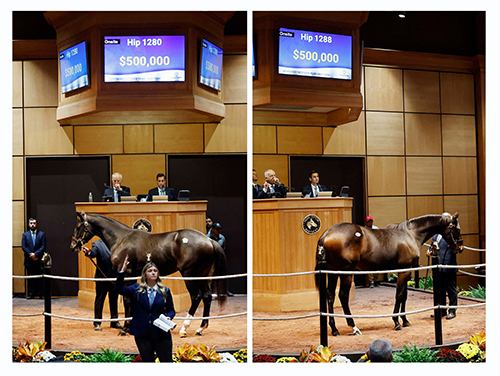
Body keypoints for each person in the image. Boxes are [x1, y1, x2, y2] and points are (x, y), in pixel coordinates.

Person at [116, 255, 175, 362]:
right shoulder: (136, 289)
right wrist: (122, 271)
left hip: (161, 332)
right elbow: (119, 289)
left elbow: (171, 310)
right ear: (145, 274)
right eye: (150, 271)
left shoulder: (165, 291)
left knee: (166, 361)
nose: (153, 273)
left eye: (155, 271)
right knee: (147, 362)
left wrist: (168, 317)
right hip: (142, 332)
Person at [82, 239, 122, 331]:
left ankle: (114, 321)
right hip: (102, 278)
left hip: (114, 278)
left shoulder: (116, 242)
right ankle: (97, 322)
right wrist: (88, 252)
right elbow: (93, 253)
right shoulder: (97, 244)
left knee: (114, 300)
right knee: (100, 300)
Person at [427, 234, 460, 320]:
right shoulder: (435, 236)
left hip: (448, 266)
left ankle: (452, 311)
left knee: (451, 290)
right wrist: (429, 251)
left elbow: (458, 248)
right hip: (438, 267)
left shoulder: (451, 235)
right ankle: (441, 310)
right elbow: (432, 246)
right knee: (440, 290)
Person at [21, 218, 47, 299]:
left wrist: (35, 254)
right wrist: (31, 254)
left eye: (34, 223)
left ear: (36, 224)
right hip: (29, 260)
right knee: (30, 278)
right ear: (29, 224)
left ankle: (41, 294)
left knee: (40, 278)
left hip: (38, 260)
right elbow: (24, 247)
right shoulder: (25, 235)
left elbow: (43, 246)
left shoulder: (42, 234)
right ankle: (31, 294)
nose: (32, 225)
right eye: (31, 223)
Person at [365, 216, 379, 288]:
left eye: (371, 221)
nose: (370, 223)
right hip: (368, 249)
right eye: (368, 221)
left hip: (376, 248)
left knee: (377, 265)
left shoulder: (376, 229)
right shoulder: (364, 230)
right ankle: (371, 282)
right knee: (369, 265)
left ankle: (376, 280)